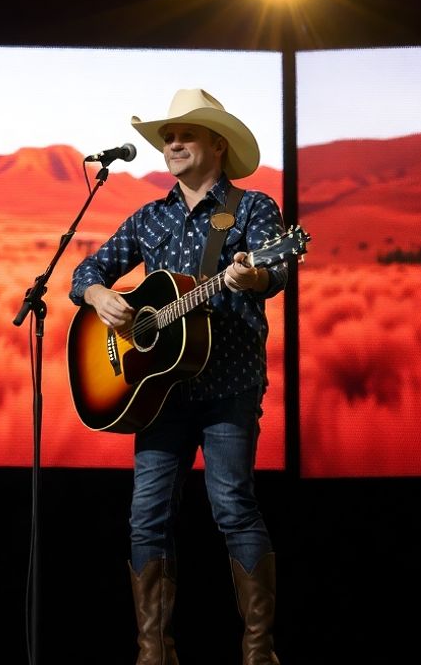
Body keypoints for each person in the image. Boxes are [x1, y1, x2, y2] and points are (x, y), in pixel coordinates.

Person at [69, 88, 286, 665]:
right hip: (158, 392)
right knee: (147, 518)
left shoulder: (253, 209)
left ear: (218, 143)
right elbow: (88, 268)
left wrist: (252, 278)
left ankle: (259, 653)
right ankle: (152, 653)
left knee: (233, 506)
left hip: (228, 387)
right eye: (167, 136)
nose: (172, 144)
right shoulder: (149, 217)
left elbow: (276, 268)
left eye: (185, 134)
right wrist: (97, 295)